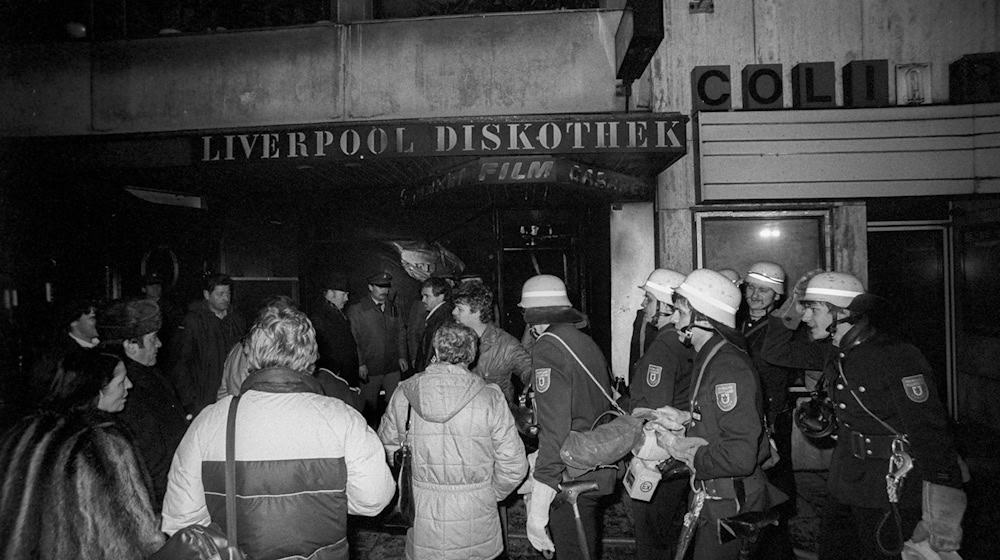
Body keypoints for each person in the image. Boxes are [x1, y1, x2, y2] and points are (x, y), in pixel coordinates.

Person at [162, 305, 394, 560]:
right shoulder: (343, 418)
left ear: (251, 355)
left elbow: (181, 520)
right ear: (312, 356)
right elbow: (375, 500)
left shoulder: (210, 421)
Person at [761, 271, 965, 560]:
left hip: (890, 485)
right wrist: (792, 305)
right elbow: (776, 351)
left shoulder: (896, 356)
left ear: (843, 313)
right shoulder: (832, 352)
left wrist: (944, 503)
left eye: (813, 309)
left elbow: (929, 430)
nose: (805, 317)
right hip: (844, 481)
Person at [378, 323, 528, 560]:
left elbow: (385, 450)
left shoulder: (405, 394)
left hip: (423, 518)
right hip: (477, 520)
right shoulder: (490, 398)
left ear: (435, 352)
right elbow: (514, 465)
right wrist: (489, 493)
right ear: (472, 355)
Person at [655, 269, 773, 560]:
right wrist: (686, 419)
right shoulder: (712, 355)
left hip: (729, 498)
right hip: (716, 492)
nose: (673, 319)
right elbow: (720, 419)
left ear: (703, 318)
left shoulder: (726, 367)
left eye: (680, 312)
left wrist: (683, 451)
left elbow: (740, 456)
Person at [519, 274, 617, 559]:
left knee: (572, 552)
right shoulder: (582, 341)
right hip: (596, 458)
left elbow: (554, 429)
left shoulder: (549, 347)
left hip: (571, 472)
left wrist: (538, 506)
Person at [0, 411, 164, 559]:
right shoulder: (100, 443)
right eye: (120, 382)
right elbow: (136, 541)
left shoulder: (24, 431)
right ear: (98, 389)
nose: (128, 385)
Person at [627, 268, 694, 560]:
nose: (644, 305)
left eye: (649, 299)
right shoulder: (682, 341)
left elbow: (653, 408)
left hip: (659, 453)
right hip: (679, 452)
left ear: (666, 305)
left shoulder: (665, 346)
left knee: (650, 531)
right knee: (670, 528)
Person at [99, 298, 189, 511]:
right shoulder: (127, 394)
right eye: (152, 338)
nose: (159, 344)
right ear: (130, 345)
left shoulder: (149, 374)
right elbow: (150, 462)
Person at [738, 261, 797, 560]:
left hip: (772, 419)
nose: (756, 295)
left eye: (764, 290)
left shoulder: (782, 328)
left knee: (773, 495)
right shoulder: (737, 322)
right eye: (751, 287)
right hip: (744, 417)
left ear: (777, 296)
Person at [171, 273, 246, 416]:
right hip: (204, 398)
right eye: (220, 294)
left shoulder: (236, 320)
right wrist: (190, 402)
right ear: (207, 295)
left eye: (228, 293)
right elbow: (181, 365)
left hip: (231, 395)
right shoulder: (193, 322)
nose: (226, 298)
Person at [452, 282, 531, 406]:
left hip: (495, 417)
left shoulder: (506, 345)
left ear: (477, 312)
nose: (453, 312)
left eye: (460, 309)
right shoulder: (451, 339)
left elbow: (529, 372)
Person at [348, 270, 409, 423]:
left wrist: (402, 356)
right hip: (370, 368)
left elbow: (401, 333)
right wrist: (361, 363)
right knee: (368, 408)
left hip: (392, 367)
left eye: (386, 287)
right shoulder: (357, 310)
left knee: (394, 407)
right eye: (380, 286)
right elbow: (354, 339)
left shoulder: (393, 307)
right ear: (370, 287)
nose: (384, 291)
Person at [311, 272, 360, 385]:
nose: (347, 298)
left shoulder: (337, 313)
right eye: (343, 294)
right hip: (335, 379)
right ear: (331, 293)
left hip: (343, 377)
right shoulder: (319, 318)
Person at [412, 276, 453, 374]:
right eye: (422, 296)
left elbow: (433, 353)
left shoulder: (441, 319)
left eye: (427, 296)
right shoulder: (438, 315)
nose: (423, 300)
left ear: (441, 296)